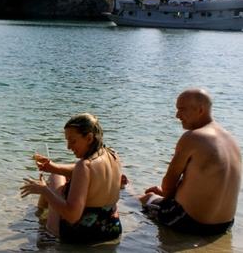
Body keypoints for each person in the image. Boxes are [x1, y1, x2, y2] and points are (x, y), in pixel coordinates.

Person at [139, 88, 241, 235]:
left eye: (181, 109)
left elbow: (168, 184)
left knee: (143, 198)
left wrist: (164, 196)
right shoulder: (231, 139)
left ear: (200, 110)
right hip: (224, 225)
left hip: (191, 223)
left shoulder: (192, 137)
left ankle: (126, 189)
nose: (177, 115)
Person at [20, 113, 122, 244]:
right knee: (56, 174)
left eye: (72, 141)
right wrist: (53, 167)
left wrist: (44, 190)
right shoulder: (113, 155)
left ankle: (44, 230)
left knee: (54, 182)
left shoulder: (84, 166)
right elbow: (89, 174)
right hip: (111, 229)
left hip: (83, 236)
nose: (68, 147)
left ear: (89, 138)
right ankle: (41, 216)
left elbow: (72, 216)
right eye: (67, 141)